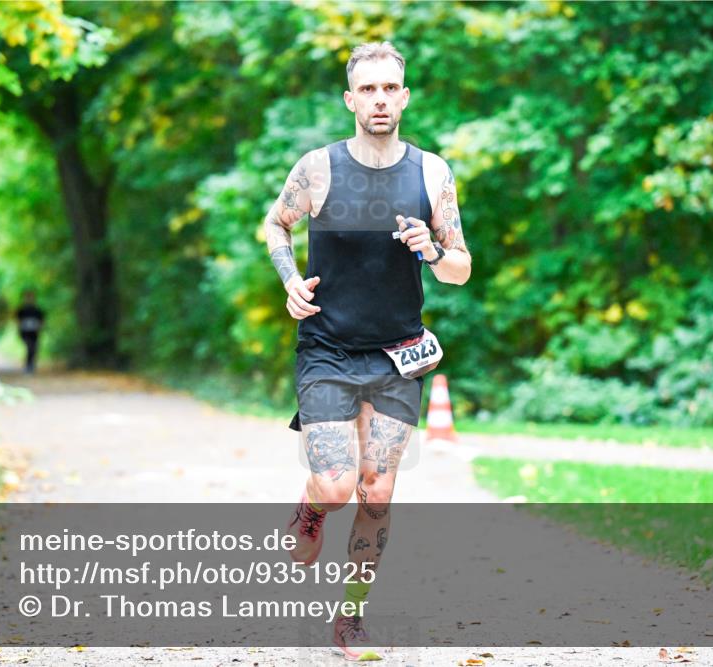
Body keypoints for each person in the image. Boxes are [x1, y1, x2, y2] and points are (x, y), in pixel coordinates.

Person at [262, 41, 471, 661]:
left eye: (391, 89)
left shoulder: (432, 173)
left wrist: (432, 251)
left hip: (398, 354)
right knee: (336, 484)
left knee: (377, 492)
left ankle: (350, 619)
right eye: (369, 89)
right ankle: (311, 509)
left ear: (403, 97)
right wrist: (290, 280)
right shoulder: (318, 168)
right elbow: (278, 223)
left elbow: (460, 267)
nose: (380, 99)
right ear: (351, 99)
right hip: (328, 348)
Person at [15, 290, 45, 374]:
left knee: (34, 349)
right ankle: (28, 366)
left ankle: (30, 365)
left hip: (34, 333)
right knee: (29, 347)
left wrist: (40, 328)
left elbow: (42, 321)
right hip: (25, 332)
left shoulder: (37, 310)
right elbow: (17, 321)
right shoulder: (21, 310)